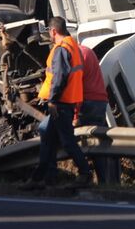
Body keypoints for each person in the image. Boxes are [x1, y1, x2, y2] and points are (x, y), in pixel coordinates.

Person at [20, 16, 91, 189]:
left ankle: (85, 173)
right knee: (46, 136)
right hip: (68, 102)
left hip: (61, 103)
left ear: (53, 31)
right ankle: (42, 178)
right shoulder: (72, 45)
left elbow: (59, 78)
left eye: (49, 33)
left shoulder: (61, 49)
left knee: (66, 141)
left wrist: (52, 101)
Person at [77, 43, 110, 183]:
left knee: (82, 143)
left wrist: (74, 114)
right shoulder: (87, 51)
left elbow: (76, 87)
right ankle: (106, 181)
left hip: (87, 102)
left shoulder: (76, 55)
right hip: (101, 101)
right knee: (100, 143)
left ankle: (87, 176)